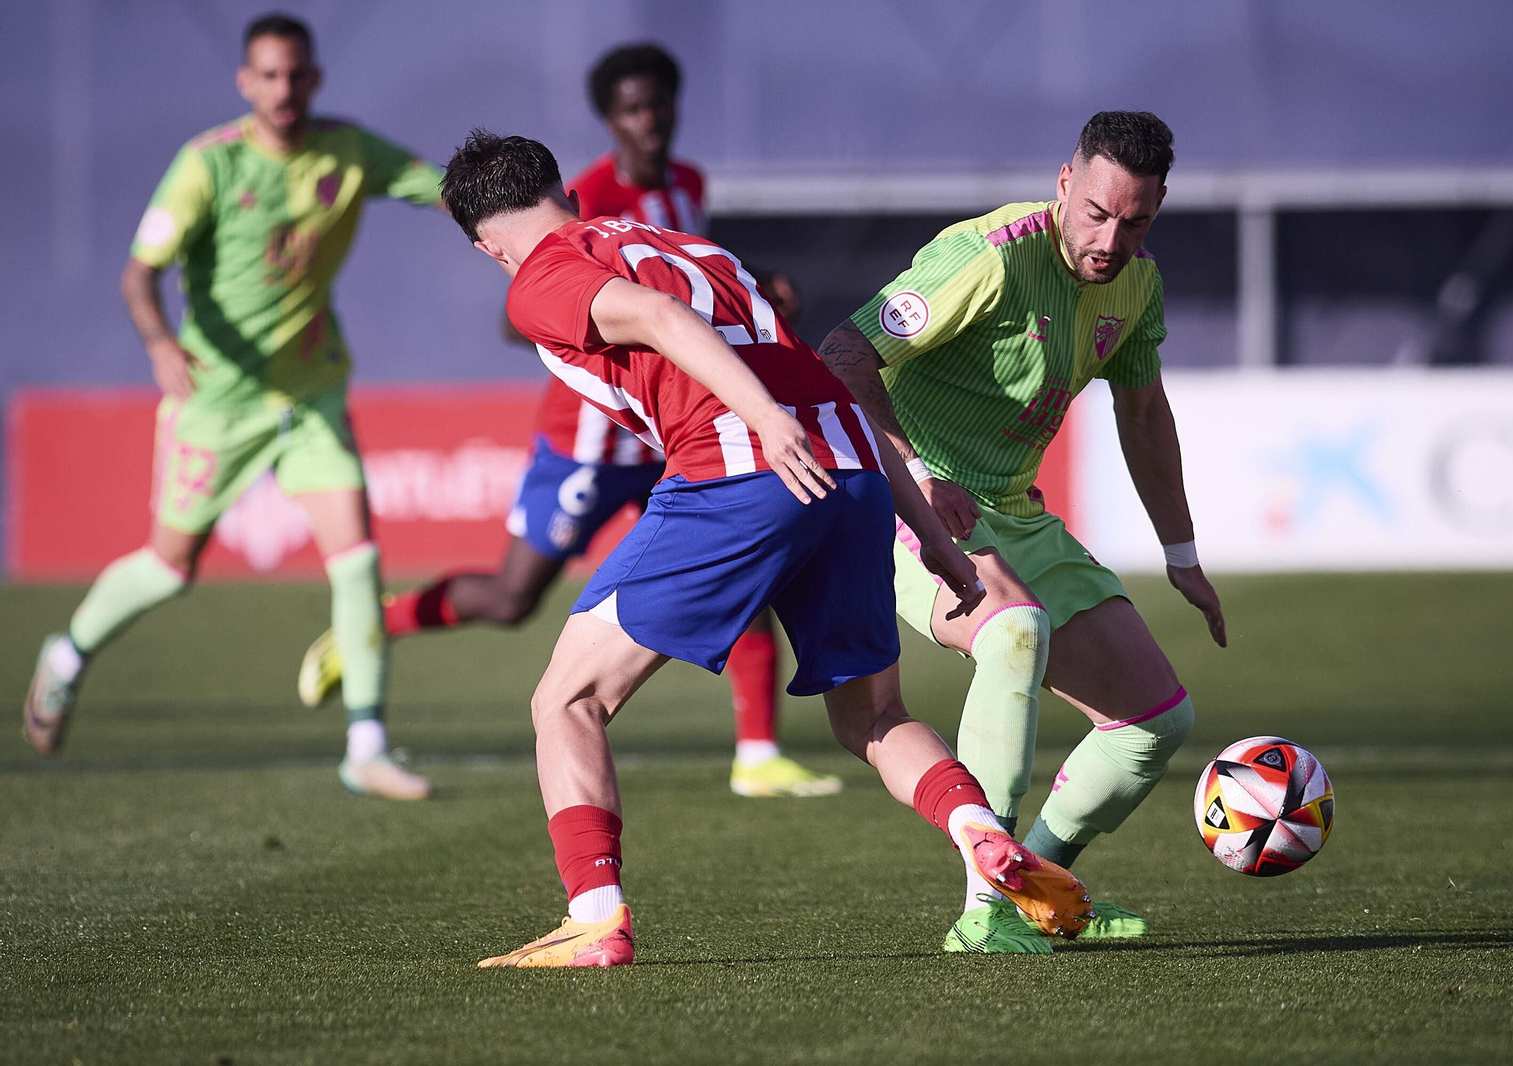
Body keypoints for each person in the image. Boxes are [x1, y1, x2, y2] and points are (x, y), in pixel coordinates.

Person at [439, 130, 1095, 967]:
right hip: (851, 472)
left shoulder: (539, 277)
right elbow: (819, 380)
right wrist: (933, 538)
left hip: (742, 470)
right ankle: (982, 839)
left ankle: (595, 916)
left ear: (486, 243)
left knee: (565, 703)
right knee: (875, 716)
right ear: (561, 190)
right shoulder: (690, 245)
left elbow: (655, 316)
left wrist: (761, 420)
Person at [295, 43, 833, 799]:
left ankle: (756, 751)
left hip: (677, 425)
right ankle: (379, 623)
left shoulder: (687, 183)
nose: (649, 122)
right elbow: (539, 315)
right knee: (513, 599)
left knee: (742, 561)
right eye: (632, 110)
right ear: (610, 119)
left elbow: (676, 281)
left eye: (660, 105)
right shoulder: (576, 198)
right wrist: (609, 322)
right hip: (589, 440)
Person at [815, 111, 1227, 953]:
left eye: (1138, 221)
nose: (1113, 238)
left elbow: (1143, 413)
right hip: (898, 495)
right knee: (1012, 632)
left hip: (1014, 510)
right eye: (1098, 213)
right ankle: (986, 908)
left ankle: (1037, 887)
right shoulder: (990, 254)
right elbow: (840, 355)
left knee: (1157, 723)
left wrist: (1180, 553)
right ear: (1065, 183)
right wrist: (918, 478)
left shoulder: (1137, 285)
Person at [21, 14, 442, 801]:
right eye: (268, 77)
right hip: (216, 403)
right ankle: (68, 654)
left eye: (296, 76)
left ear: (313, 80)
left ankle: (367, 743)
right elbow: (139, 276)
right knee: (169, 567)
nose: (284, 91)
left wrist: (524, 222)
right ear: (246, 83)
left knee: (357, 560)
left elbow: (444, 192)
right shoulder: (206, 166)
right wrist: (158, 344)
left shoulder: (347, 150)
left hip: (311, 392)